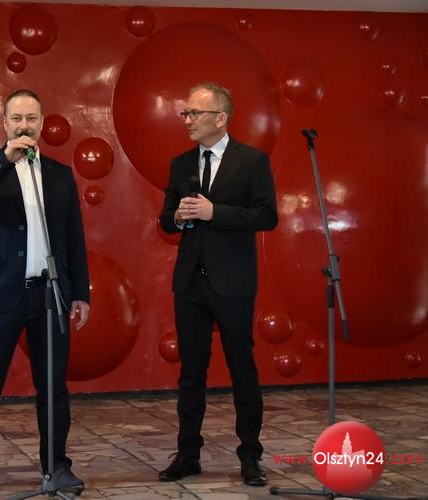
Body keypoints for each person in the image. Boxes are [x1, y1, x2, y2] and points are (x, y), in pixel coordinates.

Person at [0, 89, 90, 497]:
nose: (24, 126)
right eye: (16, 118)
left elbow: (73, 236)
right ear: (5, 124)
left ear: (42, 123)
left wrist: (79, 292)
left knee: (54, 386)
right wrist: (4, 160)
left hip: (49, 294)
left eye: (31, 118)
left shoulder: (60, 174)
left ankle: (57, 466)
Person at [158, 82, 278, 486]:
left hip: (233, 282)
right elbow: (165, 218)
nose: (187, 120)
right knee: (191, 373)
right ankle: (187, 454)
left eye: (195, 113)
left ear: (221, 118)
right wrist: (177, 217)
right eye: (186, 113)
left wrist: (216, 212)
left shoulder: (252, 161)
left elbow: (267, 216)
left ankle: (250, 455)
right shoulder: (180, 164)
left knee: (242, 369)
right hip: (190, 282)